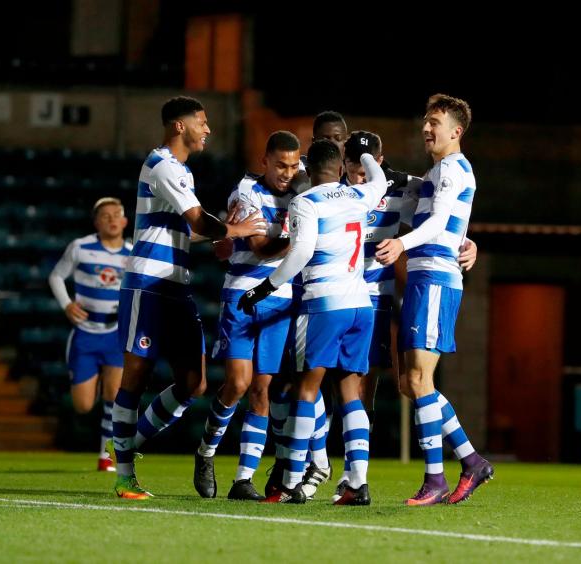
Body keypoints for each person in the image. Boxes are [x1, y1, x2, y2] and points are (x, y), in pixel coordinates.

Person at [111, 95, 266, 500]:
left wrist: (214, 236)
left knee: (193, 382)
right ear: (179, 125)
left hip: (175, 286)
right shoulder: (162, 164)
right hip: (146, 283)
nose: (208, 129)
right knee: (136, 375)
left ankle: (130, 442)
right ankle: (124, 474)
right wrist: (231, 232)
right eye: (202, 121)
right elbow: (199, 219)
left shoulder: (178, 171)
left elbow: (184, 229)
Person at [239, 139, 389, 505]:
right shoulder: (358, 196)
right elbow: (381, 181)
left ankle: (289, 483)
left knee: (307, 389)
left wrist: (264, 288)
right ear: (340, 168)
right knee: (350, 394)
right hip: (361, 305)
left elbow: (301, 250)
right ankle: (357, 482)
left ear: (308, 171)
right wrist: (366, 155)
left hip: (324, 304)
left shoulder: (305, 202)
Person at [376, 93, 493, 505]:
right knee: (411, 382)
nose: (427, 128)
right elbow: (444, 219)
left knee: (419, 380)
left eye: (435, 122)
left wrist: (400, 243)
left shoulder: (453, 170)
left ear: (456, 131)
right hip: (427, 280)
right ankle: (471, 460)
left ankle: (436, 479)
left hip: (436, 281)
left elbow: (441, 220)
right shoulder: (437, 173)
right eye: (426, 121)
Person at [194, 131, 301, 501]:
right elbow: (260, 247)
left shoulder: (302, 189)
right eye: (280, 165)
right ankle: (205, 453)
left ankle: (243, 479)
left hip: (280, 298)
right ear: (264, 162)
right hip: (242, 292)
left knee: (262, 389)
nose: (287, 173)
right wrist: (305, 240)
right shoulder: (246, 192)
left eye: (293, 165)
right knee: (238, 384)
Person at [49, 197, 131, 472]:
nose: (111, 219)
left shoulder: (132, 253)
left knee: (115, 394)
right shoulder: (80, 247)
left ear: (125, 221)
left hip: (115, 333)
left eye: (116, 215)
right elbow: (56, 276)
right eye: (105, 215)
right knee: (83, 405)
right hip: (85, 333)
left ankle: (105, 456)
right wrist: (67, 304)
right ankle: (87, 379)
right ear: (96, 222)